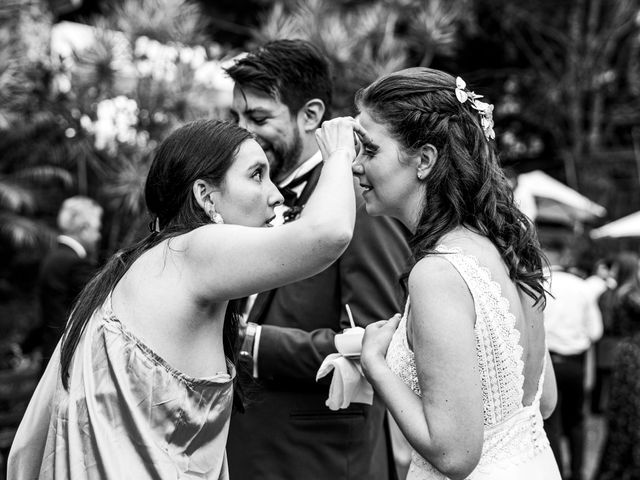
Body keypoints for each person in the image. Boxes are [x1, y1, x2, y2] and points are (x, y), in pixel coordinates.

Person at [8, 118, 360, 479]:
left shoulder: (150, 261)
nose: (276, 194)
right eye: (257, 175)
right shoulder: (193, 250)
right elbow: (328, 233)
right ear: (205, 196)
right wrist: (338, 152)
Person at [352, 67, 561, 479]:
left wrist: (375, 362)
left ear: (425, 160)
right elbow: (544, 400)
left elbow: (454, 456)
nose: (356, 166)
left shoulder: (439, 273)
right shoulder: (509, 245)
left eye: (369, 150)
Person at [224, 39, 410, 480]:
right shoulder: (241, 200)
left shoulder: (359, 204)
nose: (241, 131)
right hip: (243, 446)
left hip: (319, 458)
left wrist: (250, 345)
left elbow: (379, 338)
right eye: (235, 117)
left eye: (258, 118)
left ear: (310, 115)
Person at [542, 238, 603, 480]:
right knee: (577, 421)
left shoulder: (538, 282)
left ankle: (558, 472)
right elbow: (595, 331)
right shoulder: (582, 287)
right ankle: (577, 473)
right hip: (575, 363)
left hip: (549, 363)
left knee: (551, 422)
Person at [20, 196, 102, 374]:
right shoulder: (75, 264)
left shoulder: (52, 258)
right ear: (84, 228)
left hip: (50, 355)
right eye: (97, 229)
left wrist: (25, 346)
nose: (99, 235)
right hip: (67, 361)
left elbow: (48, 315)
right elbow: (100, 309)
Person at [596, 251, 640, 480]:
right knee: (631, 411)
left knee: (623, 409)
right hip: (633, 356)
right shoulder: (630, 296)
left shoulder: (613, 294)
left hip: (623, 354)